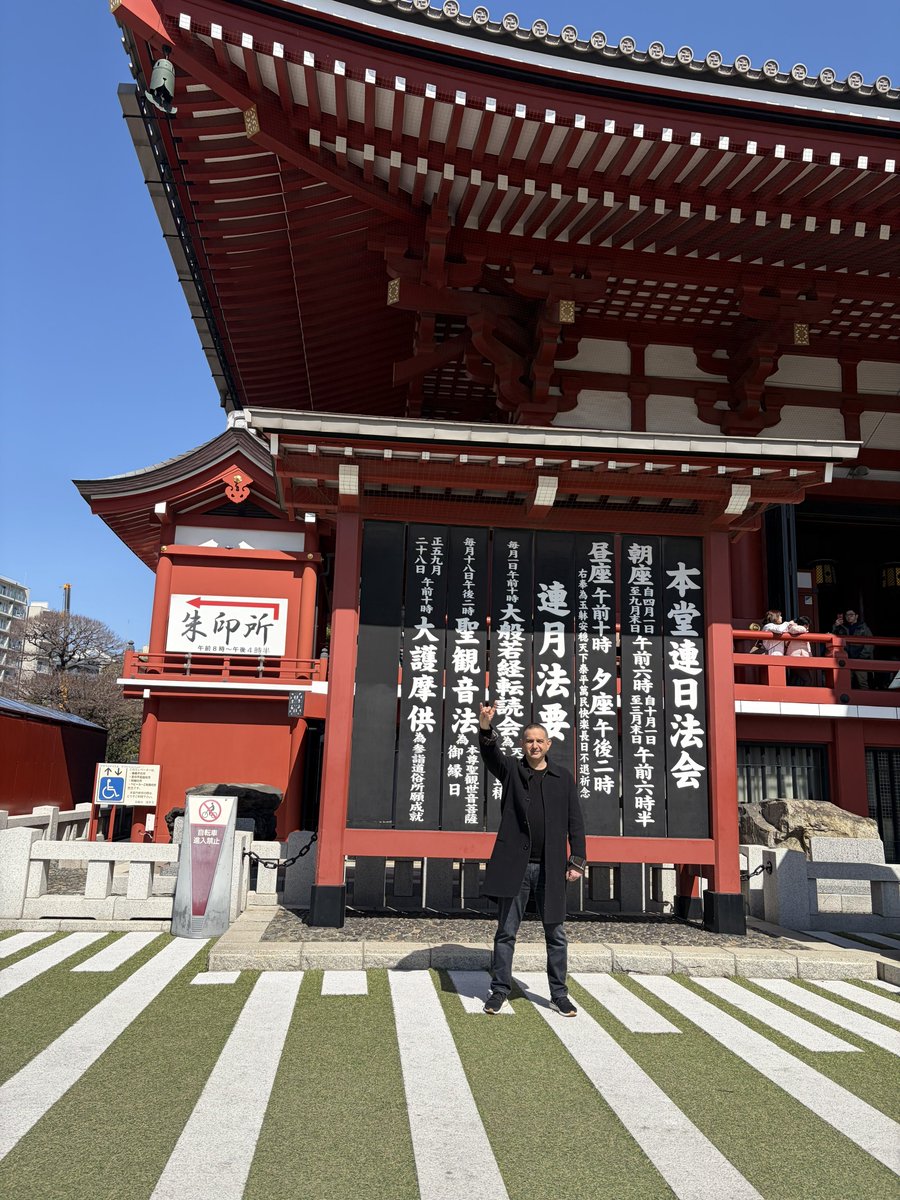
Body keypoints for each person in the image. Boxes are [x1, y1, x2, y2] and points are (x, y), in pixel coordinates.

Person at [478, 702, 586, 1016]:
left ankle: (559, 994)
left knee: (556, 933)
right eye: (529, 740)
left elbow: (575, 822)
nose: (534, 745)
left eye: (540, 740)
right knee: (506, 931)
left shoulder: (562, 778)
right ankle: (499, 991)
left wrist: (576, 859)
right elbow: (490, 755)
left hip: (551, 869)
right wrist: (486, 725)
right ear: (522, 745)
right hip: (517, 867)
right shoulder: (512, 770)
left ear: (548, 745)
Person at [833, 609, 874, 688]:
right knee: (845, 682)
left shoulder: (863, 627)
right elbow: (833, 637)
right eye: (847, 615)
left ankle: (865, 699)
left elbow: (870, 643)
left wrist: (862, 656)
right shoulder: (842, 627)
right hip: (846, 658)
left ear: (856, 616)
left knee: (862, 682)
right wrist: (836, 626)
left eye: (851, 615)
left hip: (860, 659)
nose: (849, 617)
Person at [785, 616, 814, 685]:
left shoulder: (802, 632)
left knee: (795, 679)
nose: (807, 628)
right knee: (808, 680)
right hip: (795, 657)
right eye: (806, 626)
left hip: (801, 657)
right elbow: (795, 629)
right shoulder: (794, 629)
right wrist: (802, 627)